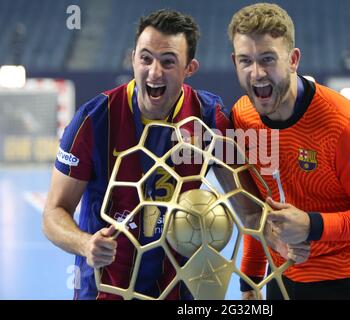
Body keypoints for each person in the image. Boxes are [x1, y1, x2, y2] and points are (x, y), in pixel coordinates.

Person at [42, 9, 232, 300]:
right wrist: (84, 243)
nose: (154, 72)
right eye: (145, 58)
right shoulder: (93, 120)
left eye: (168, 61)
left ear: (189, 68)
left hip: (178, 291)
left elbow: (247, 204)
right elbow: (54, 212)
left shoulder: (208, 117)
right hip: (104, 290)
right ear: (133, 58)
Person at [227, 3, 350, 300]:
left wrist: (312, 225)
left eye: (268, 59)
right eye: (246, 61)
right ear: (234, 62)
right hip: (280, 276)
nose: (256, 73)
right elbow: (259, 208)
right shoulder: (242, 117)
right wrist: (250, 279)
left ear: (293, 59)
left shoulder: (349, 127)